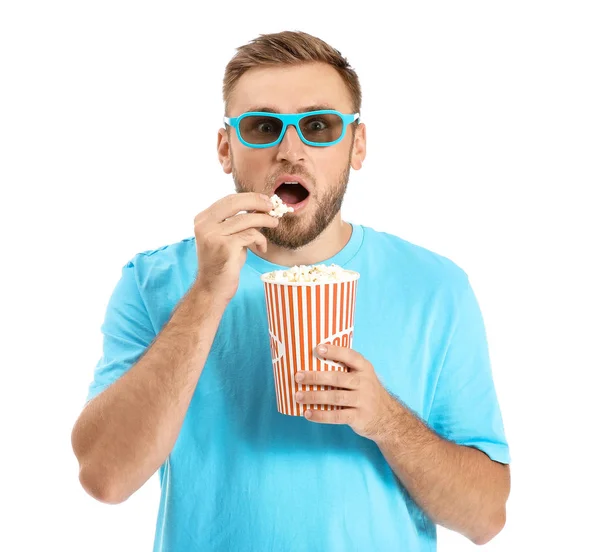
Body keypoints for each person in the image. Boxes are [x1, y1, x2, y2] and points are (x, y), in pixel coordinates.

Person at [71, 30, 511, 551]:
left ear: (358, 145)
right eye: (262, 126)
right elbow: (105, 477)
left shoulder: (435, 287)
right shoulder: (152, 283)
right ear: (225, 147)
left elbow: (486, 517)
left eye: (319, 126)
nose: (290, 150)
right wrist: (209, 292)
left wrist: (386, 420)